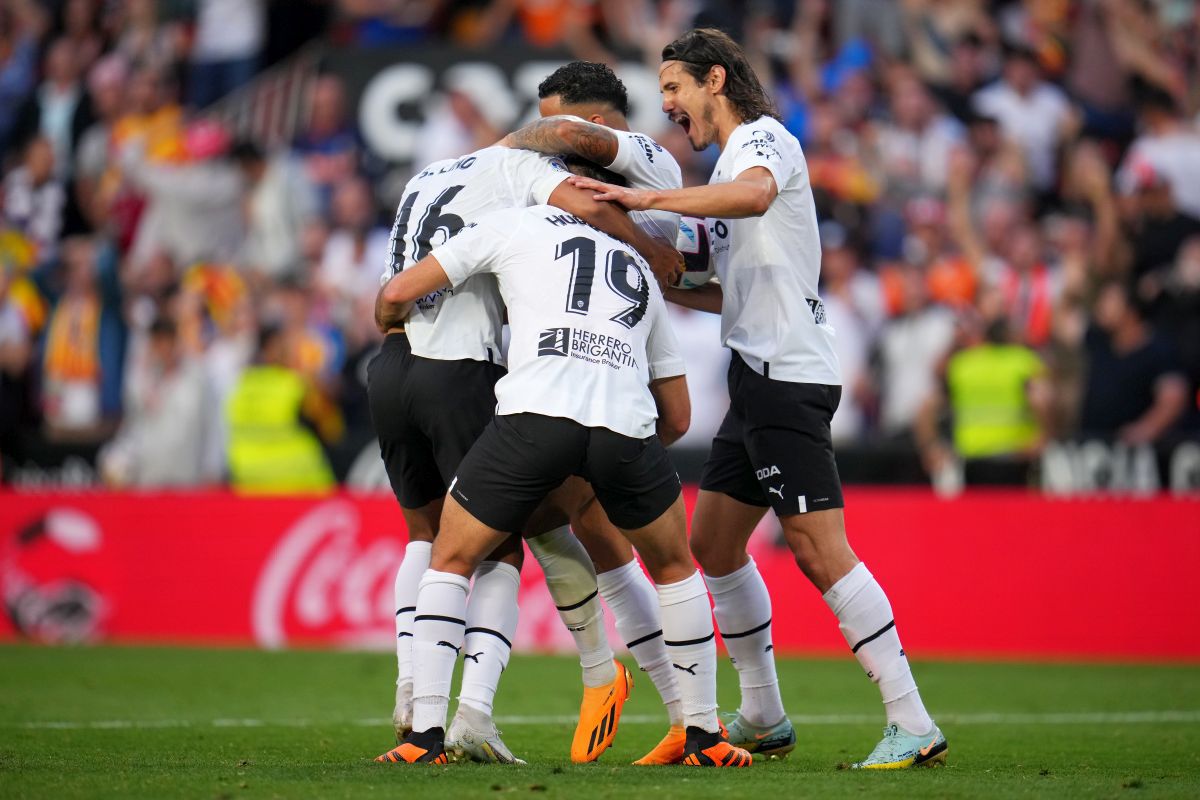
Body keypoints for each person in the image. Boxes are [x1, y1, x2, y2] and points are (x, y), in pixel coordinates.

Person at [569, 28, 947, 768]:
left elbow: (755, 195)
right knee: (713, 545)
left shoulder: (763, 141)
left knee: (818, 548)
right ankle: (765, 714)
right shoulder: (725, 171)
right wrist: (655, 266)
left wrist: (644, 195)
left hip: (787, 374)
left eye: (674, 86)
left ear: (715, 79)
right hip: (755, 374)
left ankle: (913, 720)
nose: (666, 103)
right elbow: (724, 291)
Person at [373, 204, 751, 769]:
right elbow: (677, 416)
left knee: (449, 558)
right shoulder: (640, 267)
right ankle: (704, 734)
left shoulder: (515, 221)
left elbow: (399, 289)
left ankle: (424, 737)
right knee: (675, 568)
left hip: (535, 418)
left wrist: (387, 316)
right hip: (624, 426)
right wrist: (613, 460)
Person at [497, 60, 692, 764]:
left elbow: (563, 147)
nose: (547, 141)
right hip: (593, 342)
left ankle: (621, 681)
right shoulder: (586, 180)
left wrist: (499, 150)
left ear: (597, 124)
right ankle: (679, 710)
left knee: (552, 519)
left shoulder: (645, 157)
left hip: (607, 354)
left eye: (558, 125)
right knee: (591, 531)